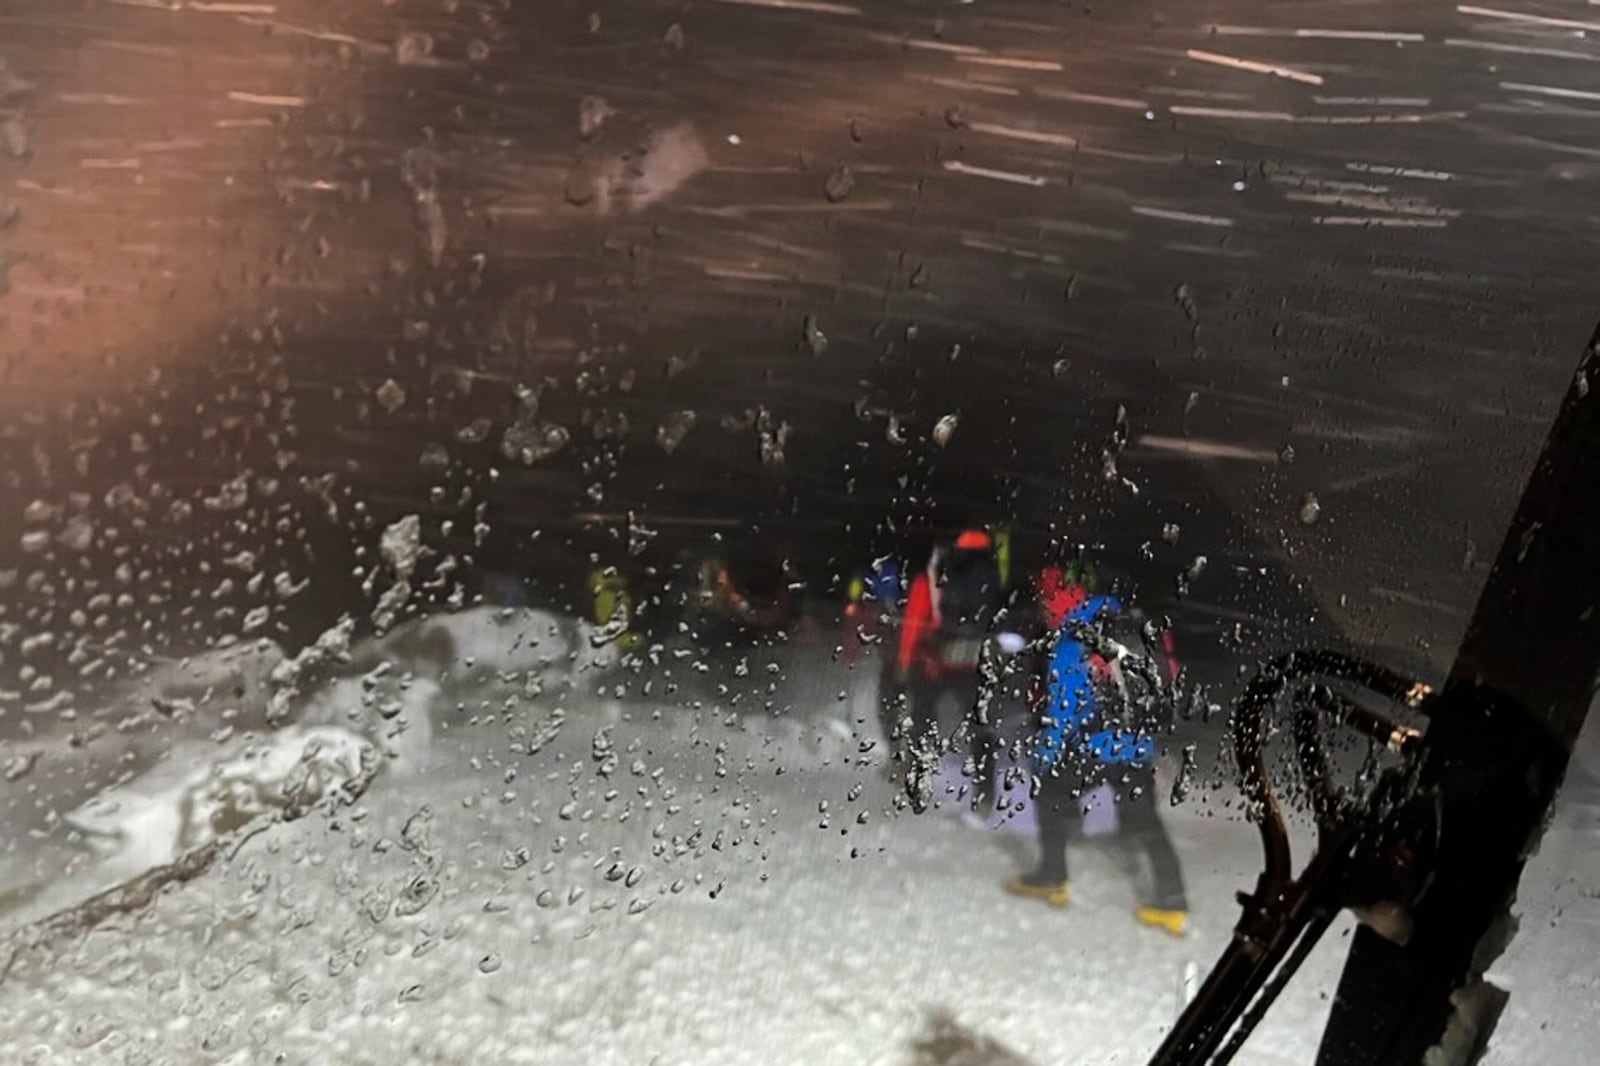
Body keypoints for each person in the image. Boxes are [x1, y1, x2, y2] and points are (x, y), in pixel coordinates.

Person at [1006, 563, 1190, 937]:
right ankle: (1172, 901)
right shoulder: (1124, 623)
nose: (1042, 611)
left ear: (1058, 601)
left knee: (1050, 792)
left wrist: (1044, 758)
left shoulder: (1071, 642)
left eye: (1045, 602)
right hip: (1135, 746)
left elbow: (1064, 710)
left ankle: (1051, 877)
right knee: (1146, 821)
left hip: (1094, 747)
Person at [892, 528, 1005, 814]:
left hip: (937, 659)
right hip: (972, 660)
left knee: (922, 718)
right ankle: (986, 793)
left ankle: (916, 774)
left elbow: (915, 622)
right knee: (981, 726)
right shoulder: (990, 575)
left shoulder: (936, 575)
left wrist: (906, 662)